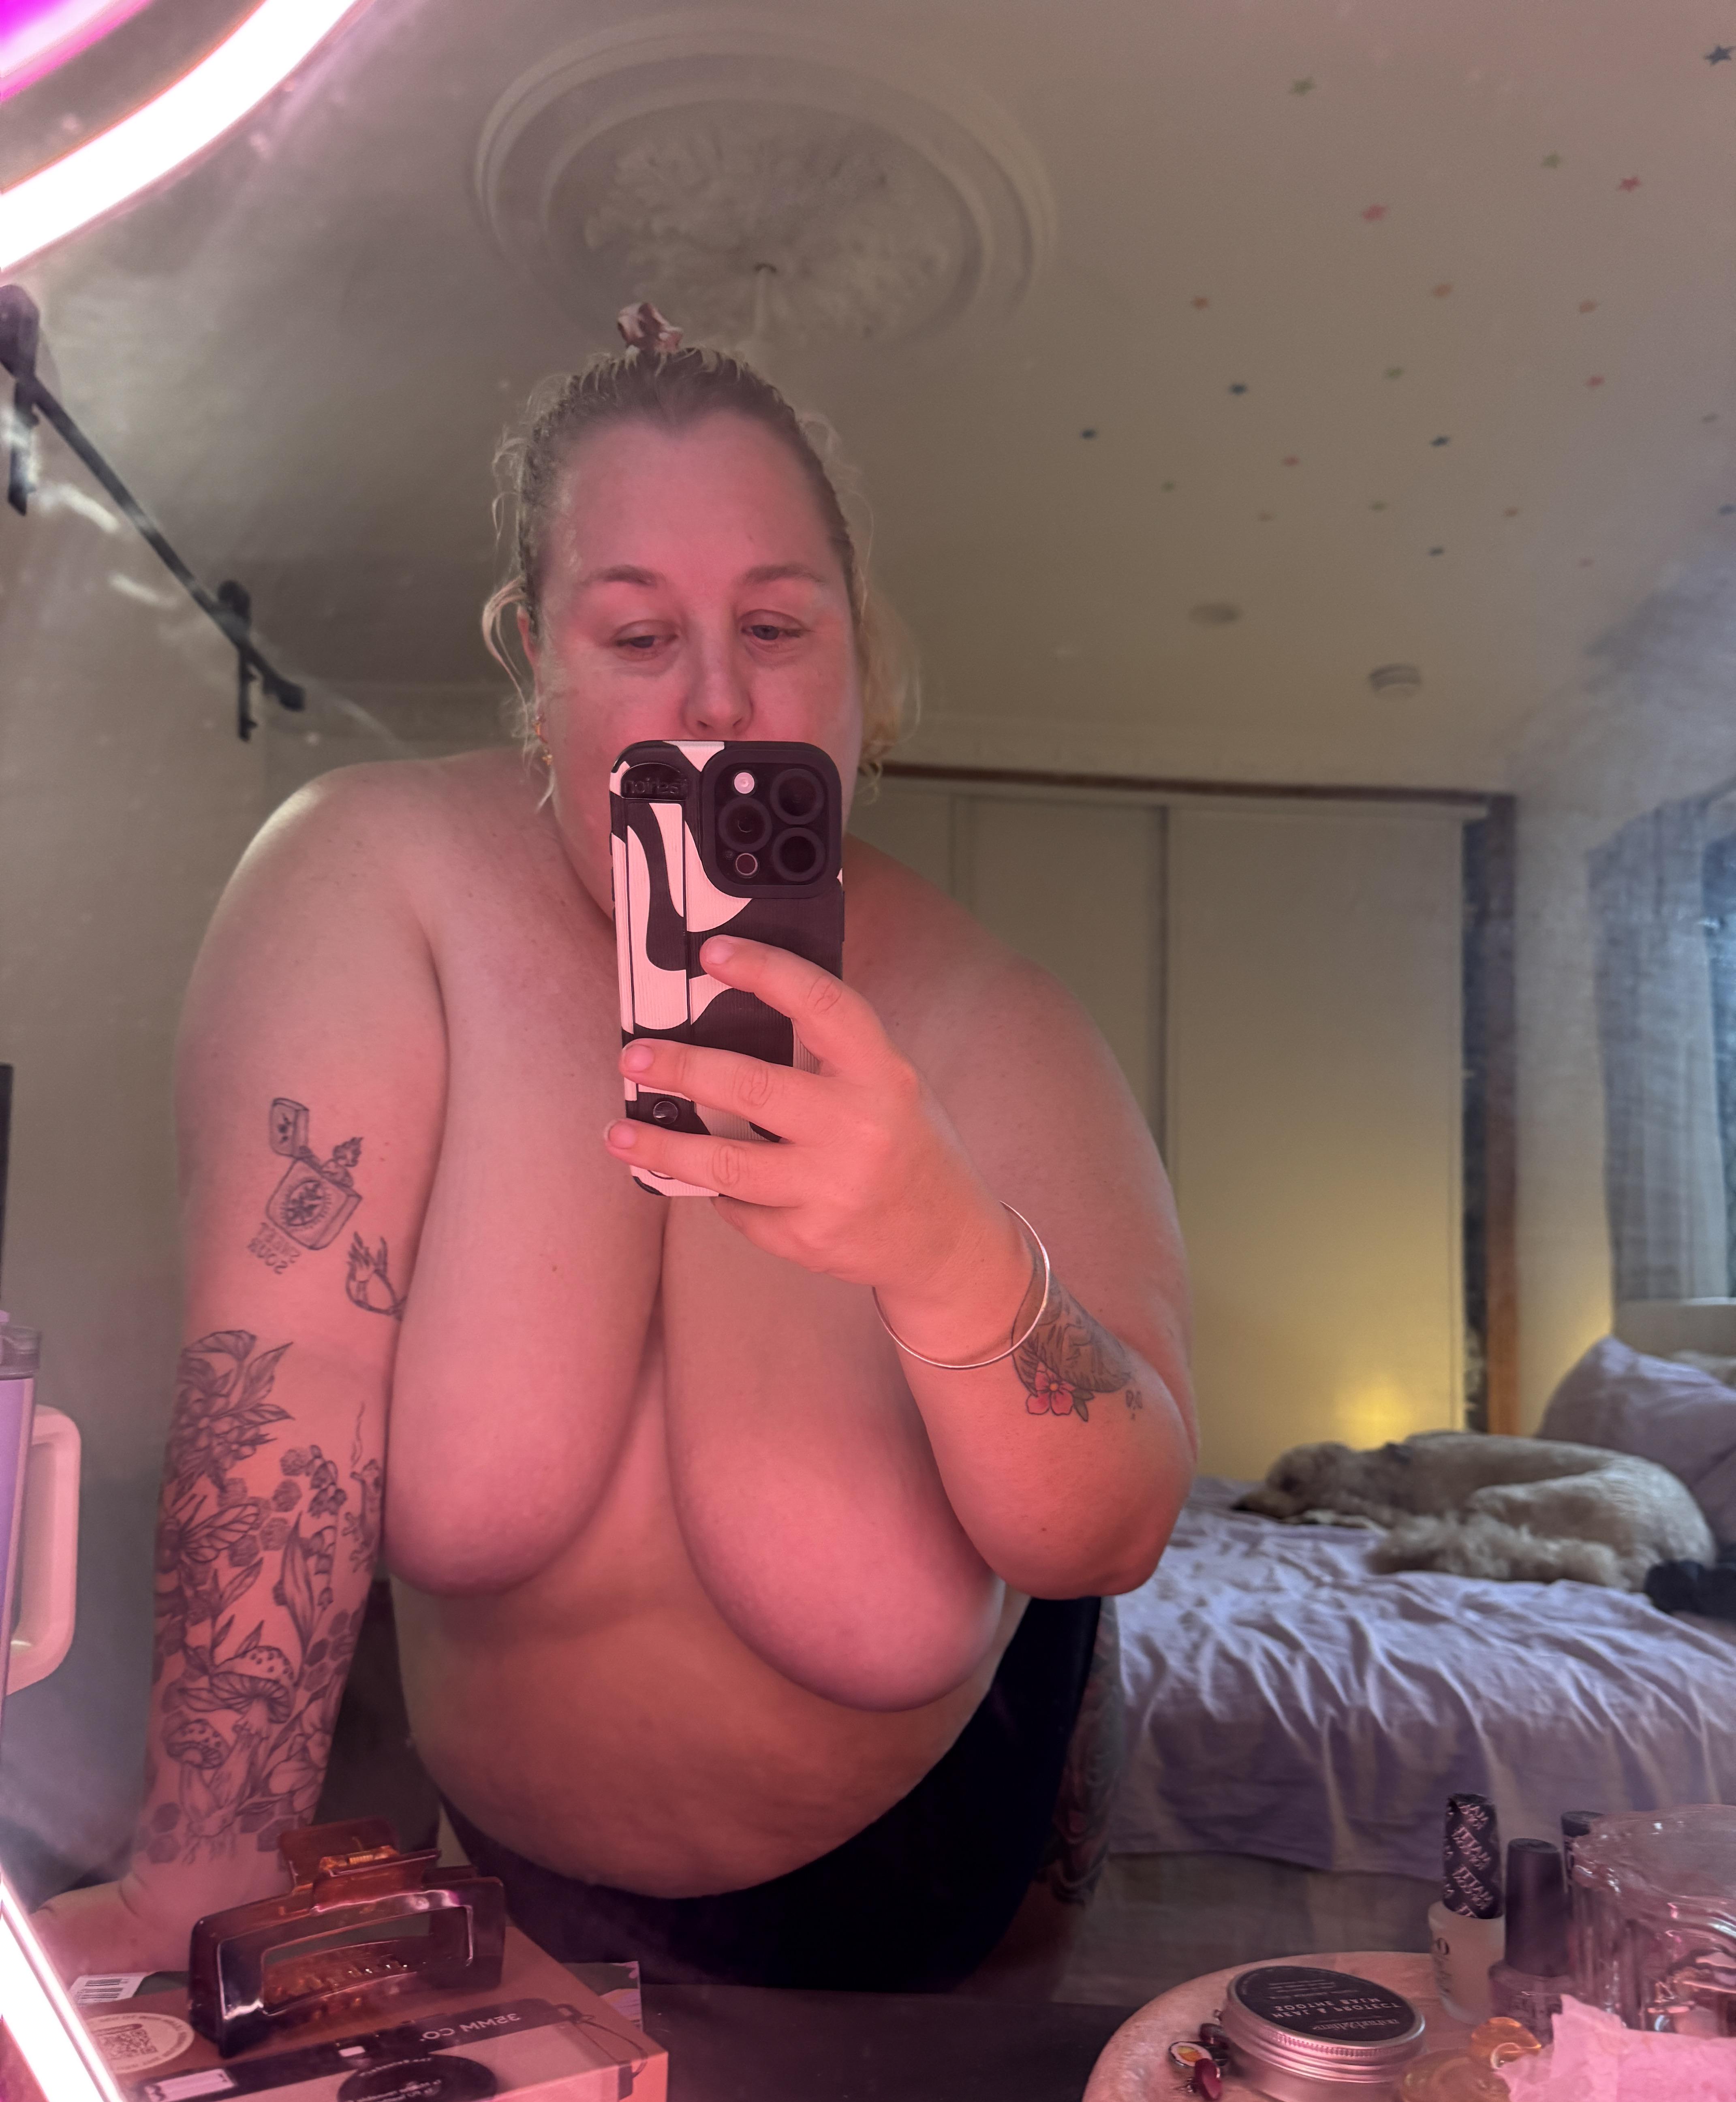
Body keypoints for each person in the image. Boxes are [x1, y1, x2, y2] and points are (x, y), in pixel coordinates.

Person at [36, 311, 1195, 1992]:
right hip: (511, 1902)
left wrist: (948, 1251)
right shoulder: (379, 882)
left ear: (860, 648)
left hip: (921, 1883)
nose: (717, 697)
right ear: (538, 656)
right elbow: (284, 1371)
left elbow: (1117, 1531)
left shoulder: (993, 1019)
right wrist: (193, 1875)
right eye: (638, 632)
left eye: (777, 627)